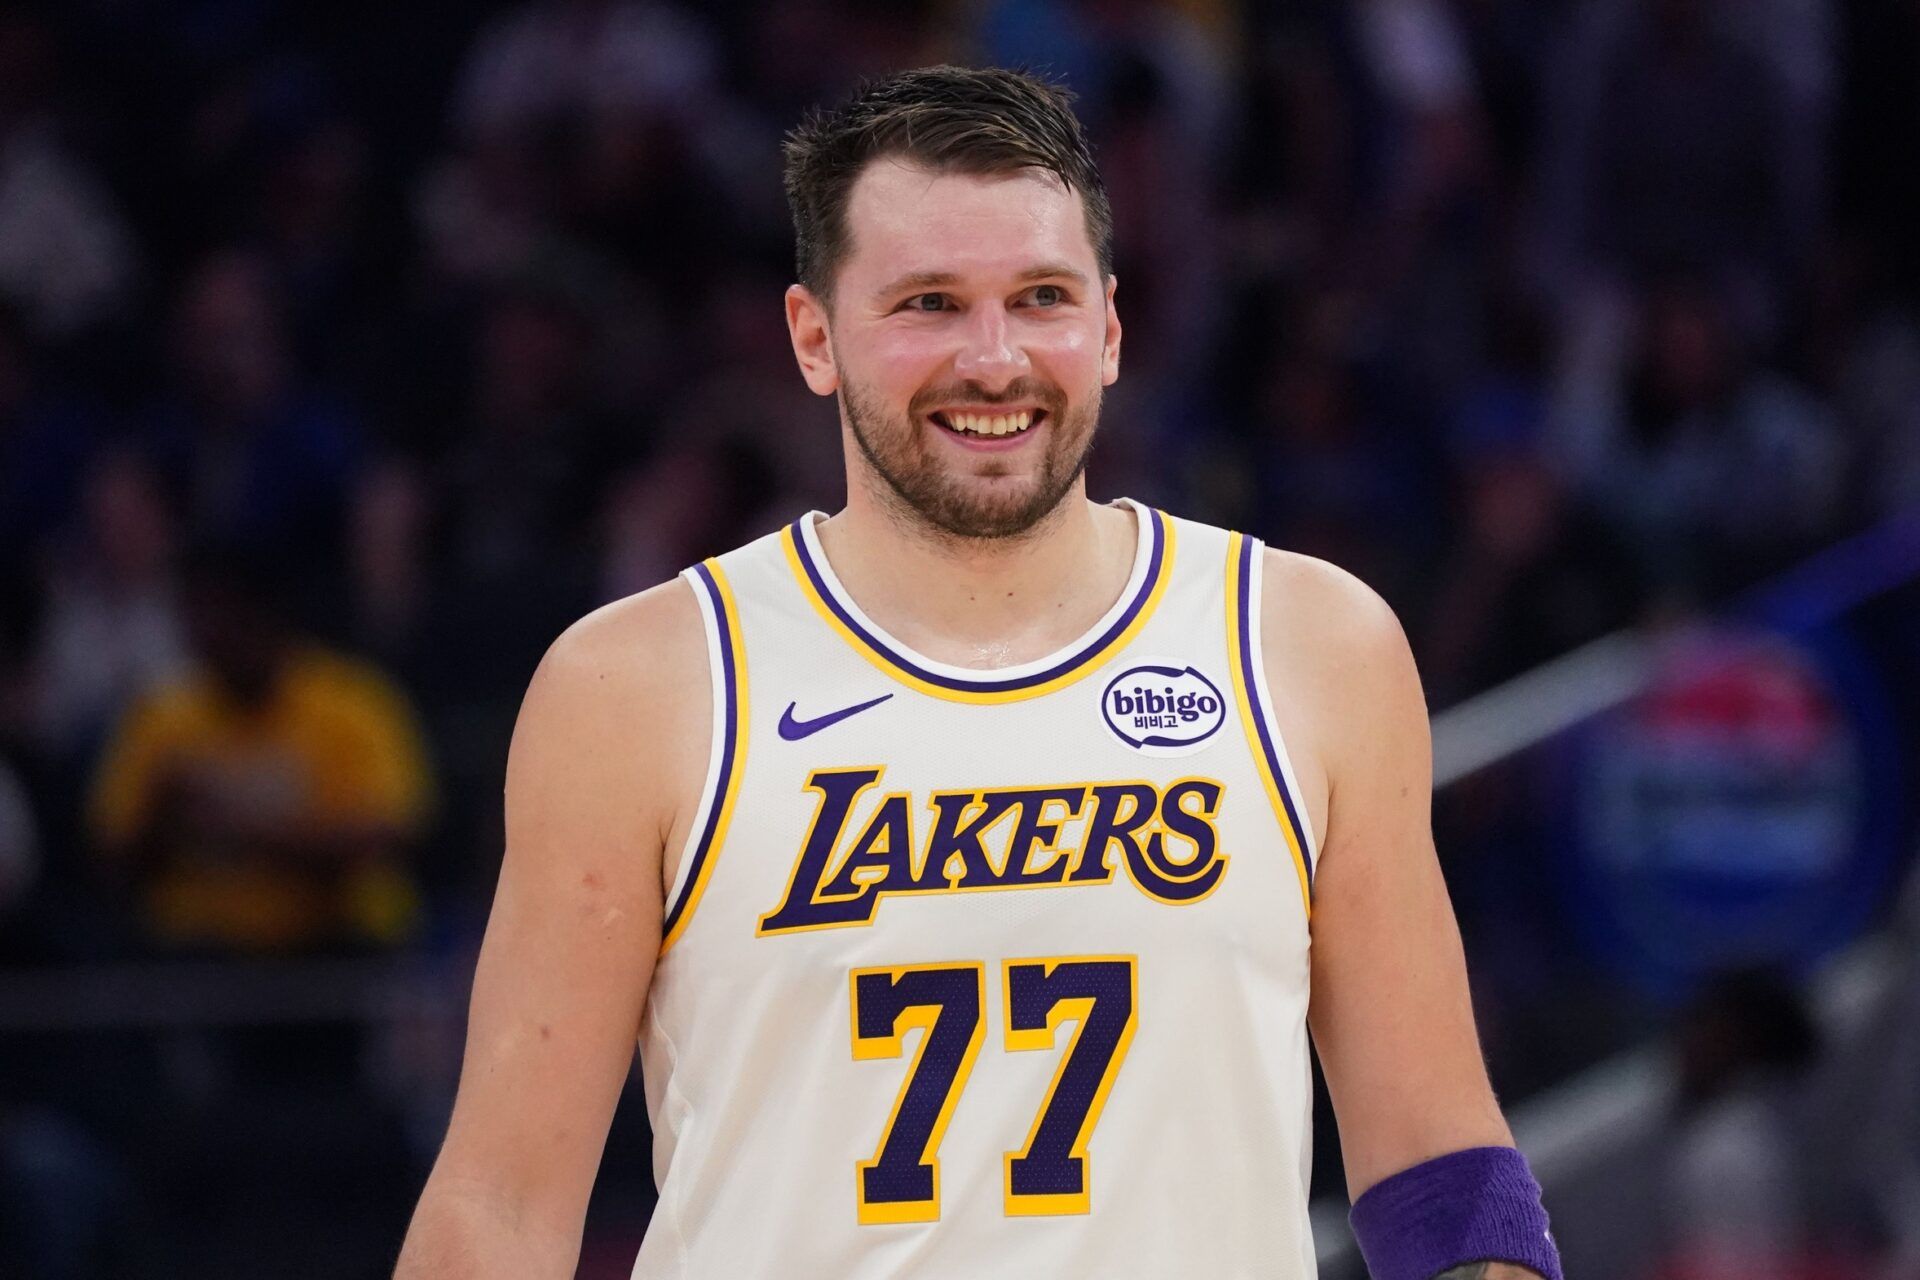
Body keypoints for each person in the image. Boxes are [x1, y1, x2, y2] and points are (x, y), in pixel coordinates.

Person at [395, 66, 1562, 1280]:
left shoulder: (1308, 645)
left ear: (1109, 329)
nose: (994, 358)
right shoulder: (636, 686)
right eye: (930, 303)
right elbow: (499, 1209)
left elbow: (1439, 1158)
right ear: (814, 336)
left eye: (1041, 297)